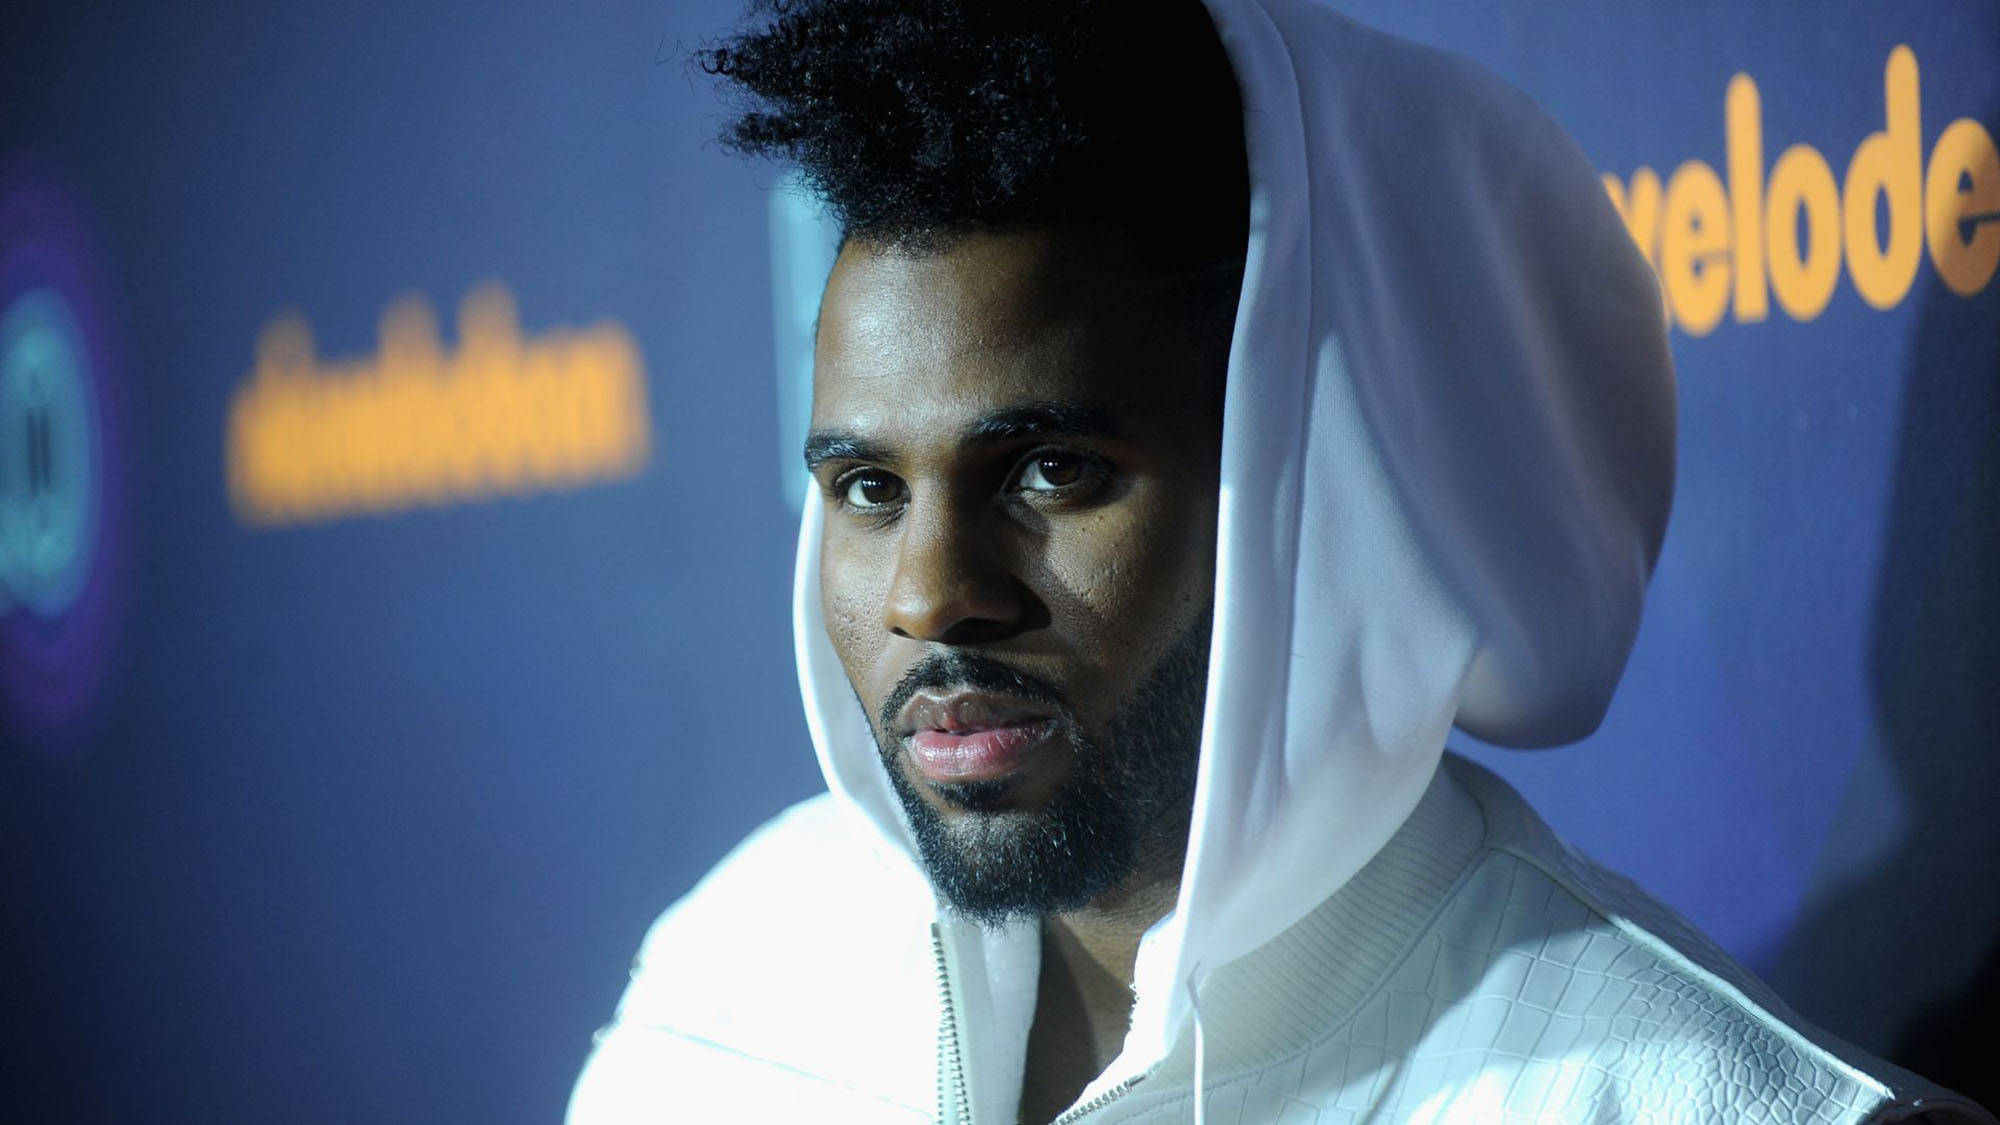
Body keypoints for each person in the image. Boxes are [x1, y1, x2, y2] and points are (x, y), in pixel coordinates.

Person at [569, 0, 1995, 1121]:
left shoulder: (1676, 1097)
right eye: (869, 489)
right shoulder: (729, 976)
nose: (929, 594)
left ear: (1329, 481)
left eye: (1053, 471)